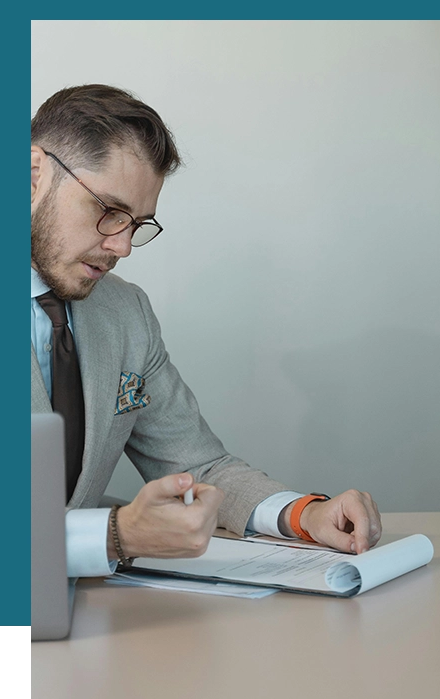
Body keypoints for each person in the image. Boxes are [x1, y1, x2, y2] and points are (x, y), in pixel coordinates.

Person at [31, 84, 381, 576]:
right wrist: (116, 535)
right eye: (107, 212)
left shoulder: (126, 312)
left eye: (137, 224)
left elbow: (198, 467)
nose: (123, 247)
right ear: (33, 175)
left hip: (84, 623)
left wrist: (305, 515)